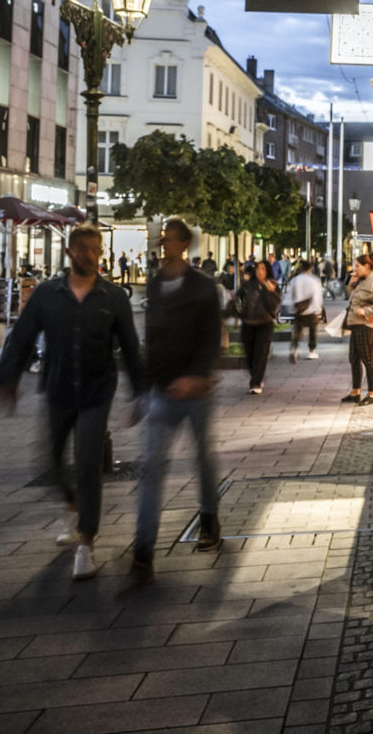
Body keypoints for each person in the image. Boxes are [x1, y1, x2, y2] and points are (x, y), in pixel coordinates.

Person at [0, 224, 143, 581]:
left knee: (89, 463)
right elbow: (22, 337)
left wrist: (140, 392)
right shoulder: (47, 295)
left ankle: (86, 543)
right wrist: (8, 379)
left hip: (96, 392)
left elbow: (131, 347)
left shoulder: (114, 298)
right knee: (50, 461)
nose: (88, 254)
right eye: (82, 248)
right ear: (70, 252)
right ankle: (71, 503)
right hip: (58, 389)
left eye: (94, 248)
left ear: (101, 253)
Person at [129, 218, 224, 588]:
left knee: (203, 456)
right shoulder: (155, 284)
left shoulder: (203, 286)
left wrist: (197, 375)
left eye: (169, 239)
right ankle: (144, 549)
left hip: (196, 391)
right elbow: (151, 339)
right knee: (151, 467)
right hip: (162, 390)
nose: (163, 244)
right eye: (162, 239)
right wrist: (143, 390)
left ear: (184, 243)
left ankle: (209, 518)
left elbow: (211, 336)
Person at [341, 253, 373, 405]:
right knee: (354, 358)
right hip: (357, 325)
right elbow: (356, 299)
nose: (354, 269)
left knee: (368, 360)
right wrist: (351, 285)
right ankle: (355, 391)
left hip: (368, 326)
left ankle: (372, 393)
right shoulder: (363, 280)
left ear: (367, 266)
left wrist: (366, 312)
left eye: (357, 266)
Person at [233, 259, 281, 394]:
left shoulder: (272, 285)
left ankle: (255, 382)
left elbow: (274, 306)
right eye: (258, 268)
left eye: (263, 269)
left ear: (267, 271)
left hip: (264, 324)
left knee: (261, 353)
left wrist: (270, 291)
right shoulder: (248, 285)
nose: (260, 271)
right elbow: (237, 298)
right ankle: (256, 376)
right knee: (249, 354)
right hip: (248, 324)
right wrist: (239, 312)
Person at [287, 260, 325, 362]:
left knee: (297, 331)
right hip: (311, 311)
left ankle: (295, 348)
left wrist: (292, 308)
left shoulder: (294, 280)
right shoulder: (314, 280)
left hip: (298, 310)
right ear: (310, 268)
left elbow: (290, 296)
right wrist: (318, 310)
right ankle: (311, 351)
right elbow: (318, 297)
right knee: (313, 331)